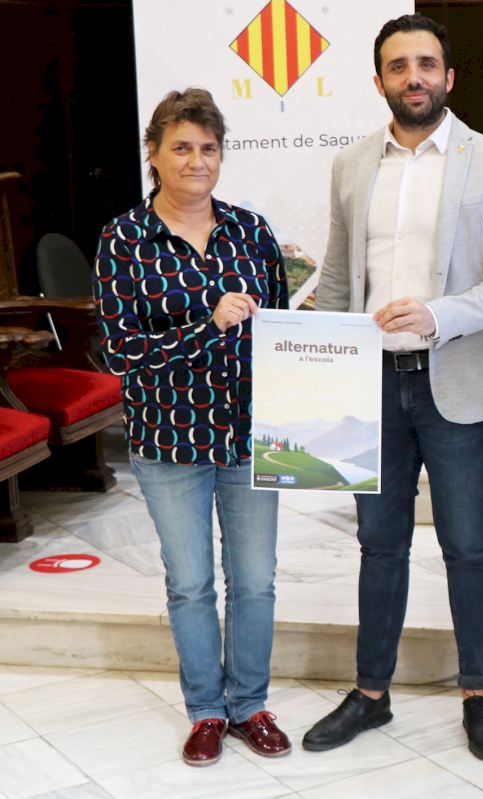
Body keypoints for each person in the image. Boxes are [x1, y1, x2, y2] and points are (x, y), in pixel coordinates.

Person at [301, 14, 483, 761]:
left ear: (449, 77)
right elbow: (339, 279)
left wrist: (441, 315)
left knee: (466, 544)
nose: (414, 77)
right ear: (379, 82)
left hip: (458, 384)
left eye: (427, 64)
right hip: (370, 388)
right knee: (379, 544)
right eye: (398, 66)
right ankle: (371, 693)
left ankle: (477, 694)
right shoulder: (351, 165)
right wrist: (313, 364)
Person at [92, 88, 291, 766]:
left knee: (256, 580)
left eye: (208, 148)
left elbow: (281, 332)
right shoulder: (123, 239)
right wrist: (208, 326)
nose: (196, 160)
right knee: (190, 583)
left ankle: (250, 705)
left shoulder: (251, 230)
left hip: (252, 435)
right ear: (152, 153)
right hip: (169, 440)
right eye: (181, 147)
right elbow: (121, 354)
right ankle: (206, 710)